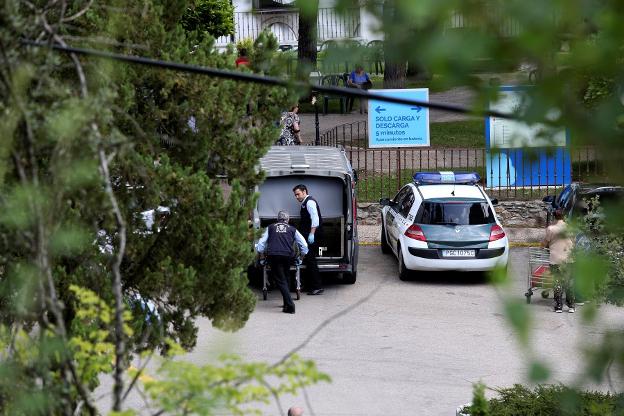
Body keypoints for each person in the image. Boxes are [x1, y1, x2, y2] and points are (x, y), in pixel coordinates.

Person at [255, 210, 308, 314]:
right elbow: (304, 245)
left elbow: (261, 244)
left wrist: (261, 257)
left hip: (274, 256)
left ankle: (290, 305)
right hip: (288, 256)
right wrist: (301, 258)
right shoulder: (293, 229)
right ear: (288, 220)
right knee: (286, 277)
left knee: (280, 280)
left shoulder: (270, 227)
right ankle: (286, 305)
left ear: (277, 219)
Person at [541, 209, 575, 313]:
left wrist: (542, 247)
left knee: (557, 281)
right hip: (568, 258)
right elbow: (574, 241)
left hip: (555, 259)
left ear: (554, 217)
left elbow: (545, 243)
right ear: (564, 216)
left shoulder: (551, 229)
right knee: (569, 282)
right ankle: (571, 306)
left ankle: (559, 306)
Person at [293, 184, 324, 295]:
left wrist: (312, 234)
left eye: (298, 194)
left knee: (311, 261)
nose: (296, 197)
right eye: (295, 195)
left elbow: (315, 219)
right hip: (307, 236)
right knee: (307, 261)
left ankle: (317, 286)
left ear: (304, 191)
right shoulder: (305, 203)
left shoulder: (310, 202)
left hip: (312, 236)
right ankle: (310, 285)